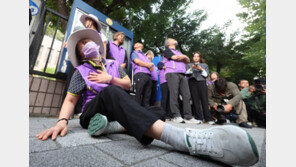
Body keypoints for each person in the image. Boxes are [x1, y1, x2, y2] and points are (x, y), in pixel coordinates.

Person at [36, 29, 259, 167]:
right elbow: (70, 100)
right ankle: (183, 139)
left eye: (90, 42)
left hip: (115, 108)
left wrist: (109, 77)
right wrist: (62, 121)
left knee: (159, 111)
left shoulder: (113, 65)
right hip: (91, 111)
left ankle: (110, 127)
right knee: (111, 93)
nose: (89, 47)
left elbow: (126, 84)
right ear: (81, 53)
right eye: (83, 45)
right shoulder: (81, 71)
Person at [163, 38, 199, 124]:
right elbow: (176, 58)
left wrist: (184, 57)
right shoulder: (167, 50)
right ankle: (176, 116)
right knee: (174, 94)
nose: (174, 39)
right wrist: (184, 57)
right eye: (172, 39)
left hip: (182, 74)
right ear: (168, 43)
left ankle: (188, 117)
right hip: (172, 73)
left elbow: (187, 60)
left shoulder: (179, 51)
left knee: (187, 95)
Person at [186, 52, 214, 125]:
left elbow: (206, 74)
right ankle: (199, 118)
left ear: (200, 57)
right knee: (195, 101)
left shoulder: (205, 65)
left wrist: (201, 69)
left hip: (202, 82)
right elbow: (187, 74)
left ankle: (208, 118)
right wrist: (191, 68)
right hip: (192, 83)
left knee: (204, 100)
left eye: (197, 56)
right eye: (194, 56)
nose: (196, 58)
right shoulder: (189, 65)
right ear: (192, 57)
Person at [131, 40, 154, 107]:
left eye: (138, 43)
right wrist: (148, 65)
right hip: (140, 74)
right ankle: (136, 111)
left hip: (148, 76)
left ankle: (145, 112)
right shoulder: (134, 53)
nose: (136, 44)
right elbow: (137, 61)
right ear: (135, 46)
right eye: (136, 43)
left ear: (141, 46)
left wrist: (151, 65)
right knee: (138, 93)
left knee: (147, 96)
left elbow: (151, 69)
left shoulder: (144, 56)